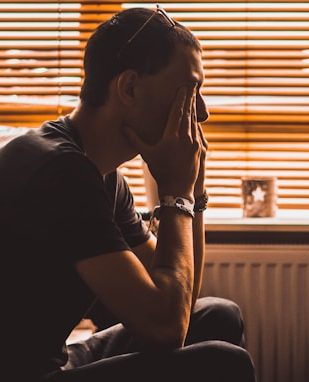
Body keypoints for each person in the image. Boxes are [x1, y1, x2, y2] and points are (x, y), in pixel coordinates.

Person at [0, 6, 255, 382]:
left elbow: (176, 303)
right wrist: (176, 193)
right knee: (224, 361)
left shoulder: (99, 175)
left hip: (52, 361)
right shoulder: (61, 171)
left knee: (219, 314)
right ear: (130, 88)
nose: (201, 113)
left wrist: (193, 195)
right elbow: (165, 327)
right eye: (189, 90)